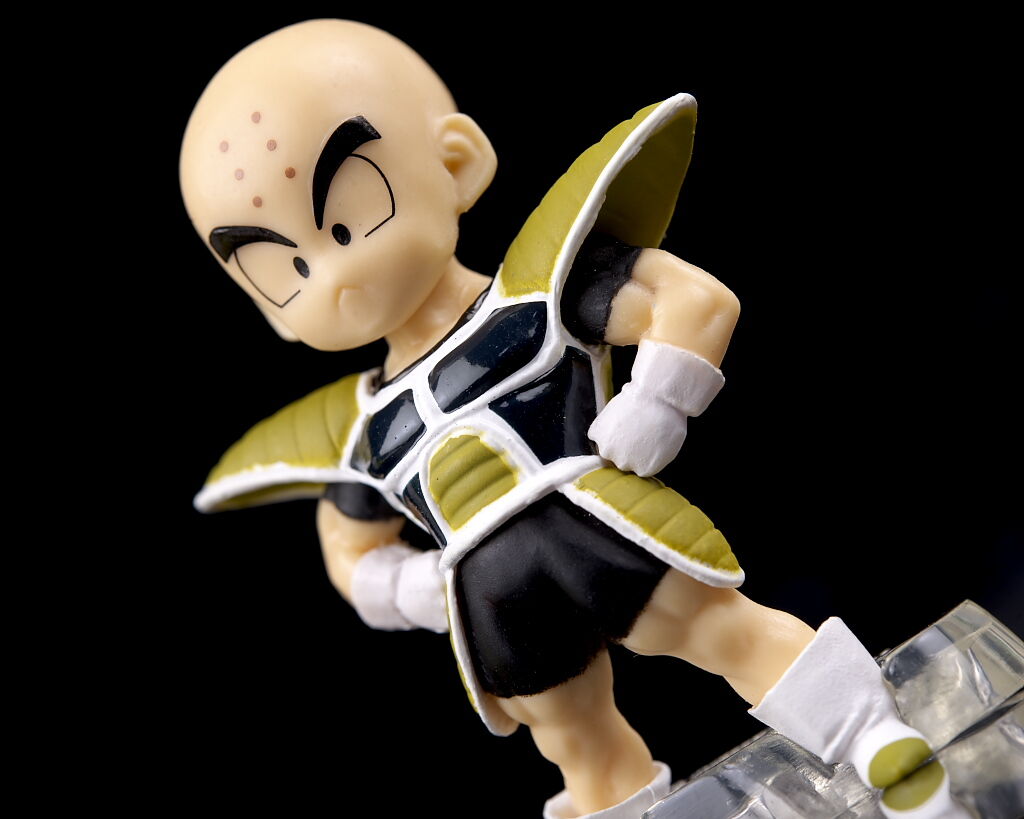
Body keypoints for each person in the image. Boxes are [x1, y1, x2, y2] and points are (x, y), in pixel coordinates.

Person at [181, 19, 964, 819]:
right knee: (574, 740)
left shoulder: (533, 301)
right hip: (491, 601)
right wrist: (405, 587)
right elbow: (346, 542)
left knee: (719, 630)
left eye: (348, 223)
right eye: (287, 268)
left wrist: (657, 401)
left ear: (457, 162)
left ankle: (872, 734)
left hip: (590, 524)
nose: (334, 278)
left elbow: (690, 299)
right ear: (269, 308)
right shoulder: (362, 426)